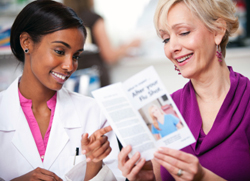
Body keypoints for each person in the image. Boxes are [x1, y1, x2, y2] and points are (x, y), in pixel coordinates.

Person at [117, 0, 250, 180]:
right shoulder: (167, 107)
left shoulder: (246, 101)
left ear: (218, 31)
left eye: (184, 32)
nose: (172, 48)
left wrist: (203, 178)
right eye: (166, 39)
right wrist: (148, 178)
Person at [0, 1, 124, 180]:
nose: (69, 66)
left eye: (76, 56)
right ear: (26, 42)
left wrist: (94, 165)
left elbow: (117, 175)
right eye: (59, 51)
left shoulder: (94, 113)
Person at [64, 0, 141, 87]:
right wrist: (130, 45)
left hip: (71, 80)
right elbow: (109, 56)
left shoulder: (63, 21)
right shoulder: (94, 19)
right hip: (94, 80)